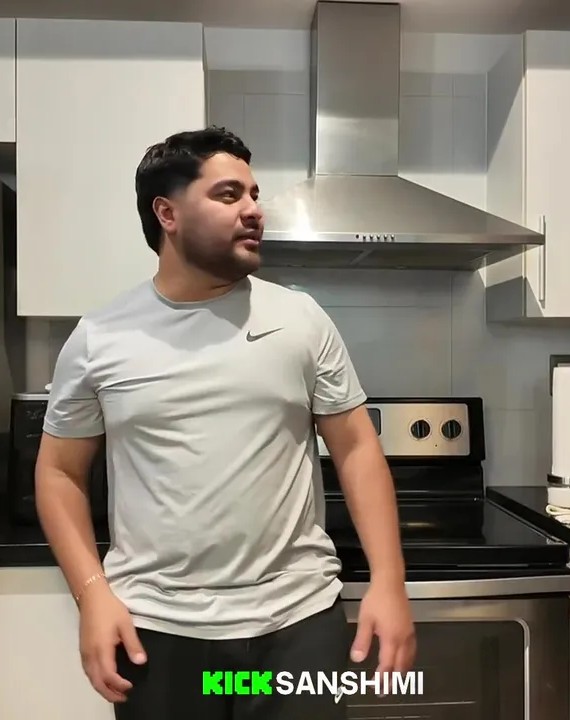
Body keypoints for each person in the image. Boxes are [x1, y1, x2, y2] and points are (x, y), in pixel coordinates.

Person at [34, 126, 416, 719]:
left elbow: (357, 448)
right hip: (157, 630)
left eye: (254, 194)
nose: (254, 210)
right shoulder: (99, 338)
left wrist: (389, 582)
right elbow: (59, 473)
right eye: (228, 194)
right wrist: (91, 597)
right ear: (167, 213)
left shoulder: (300, 319)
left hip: (297, 625)